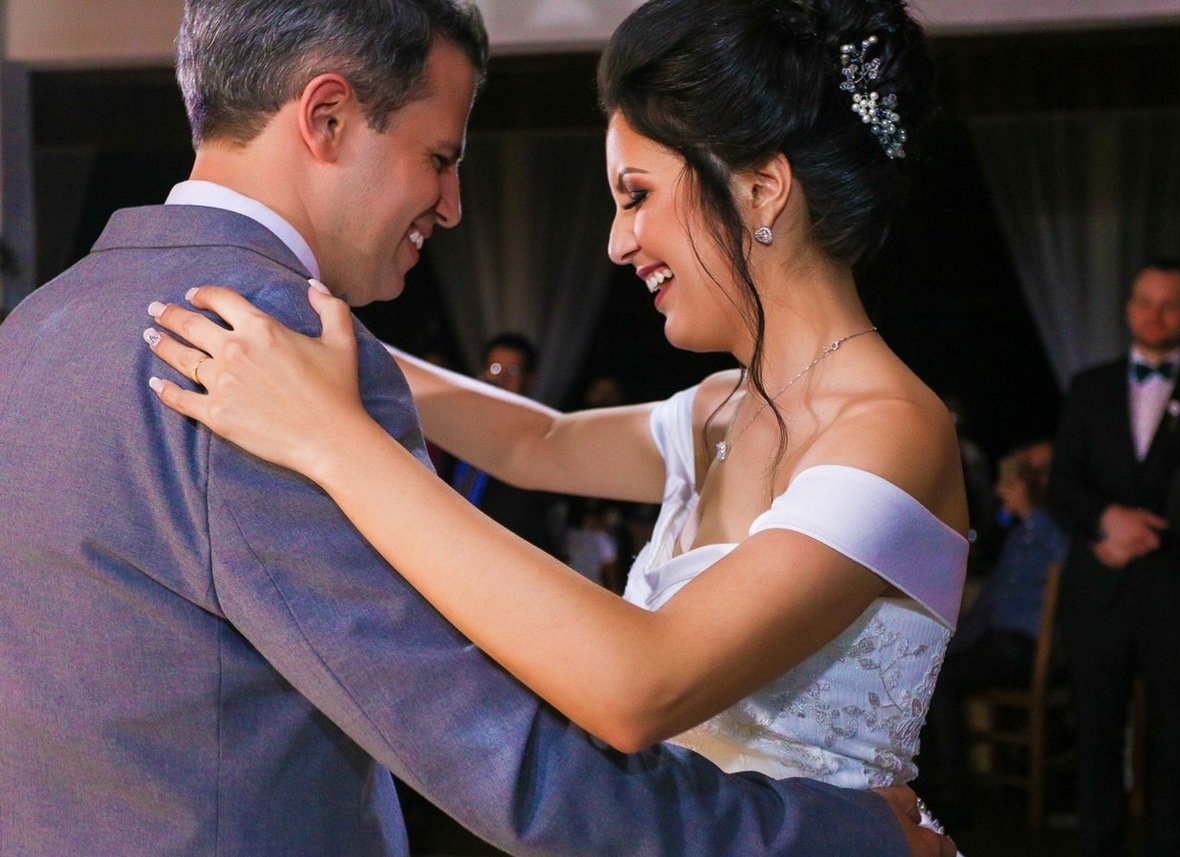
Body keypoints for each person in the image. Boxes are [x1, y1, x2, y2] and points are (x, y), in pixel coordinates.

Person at [0, 1, 953, 855]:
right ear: (326, 118)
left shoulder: (39, 326)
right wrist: (326, 359)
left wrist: (333, 425)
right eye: (441, 158)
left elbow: (643, 680)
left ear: (762, 189)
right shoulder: (716, 411)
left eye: (635, 195)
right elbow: (538, 444)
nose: (618, 241)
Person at [1048, 260, 1180, 856]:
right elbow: (1062, 482)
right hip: (1099, 587)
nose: (1154, 314)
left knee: (1179, 744)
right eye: (1144, 301)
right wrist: (1106, 520)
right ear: (1129, 307)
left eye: (1169, 304)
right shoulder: (1089, 386)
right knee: (1095, 739)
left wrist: (1150, 533)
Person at [922, 444, 1069, 823]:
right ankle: (933, 784)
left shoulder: (1050, 529)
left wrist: (1032, 509)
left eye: (1010, 484)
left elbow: (1067, 558)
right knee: (926, 672)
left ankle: (953, 795)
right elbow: (989, 603)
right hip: (999, 642)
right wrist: (948, 644)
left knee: (941, 681)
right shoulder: (1019, 538)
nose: (1002, 490)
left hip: (1023, 647)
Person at [444, 332, 564, 556]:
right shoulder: (458, 422)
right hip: (451, 545)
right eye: (495, 368)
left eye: (513, 372)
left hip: (511, 555)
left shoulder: (539, 432)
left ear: (530, 380)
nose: (501, 379)